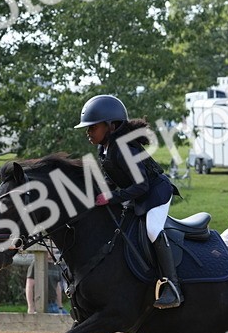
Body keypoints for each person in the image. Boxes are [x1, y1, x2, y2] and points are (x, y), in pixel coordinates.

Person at [76, 94, 182, 308]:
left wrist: (112, 197)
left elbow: (142, 185)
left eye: (92, 127)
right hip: (138, 195)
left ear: (110, 126)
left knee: (152, 230)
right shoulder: (104, 149)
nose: (88, 132)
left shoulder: (125, 149)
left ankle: (173, 286)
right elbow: (113, 180)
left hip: (157, 193)